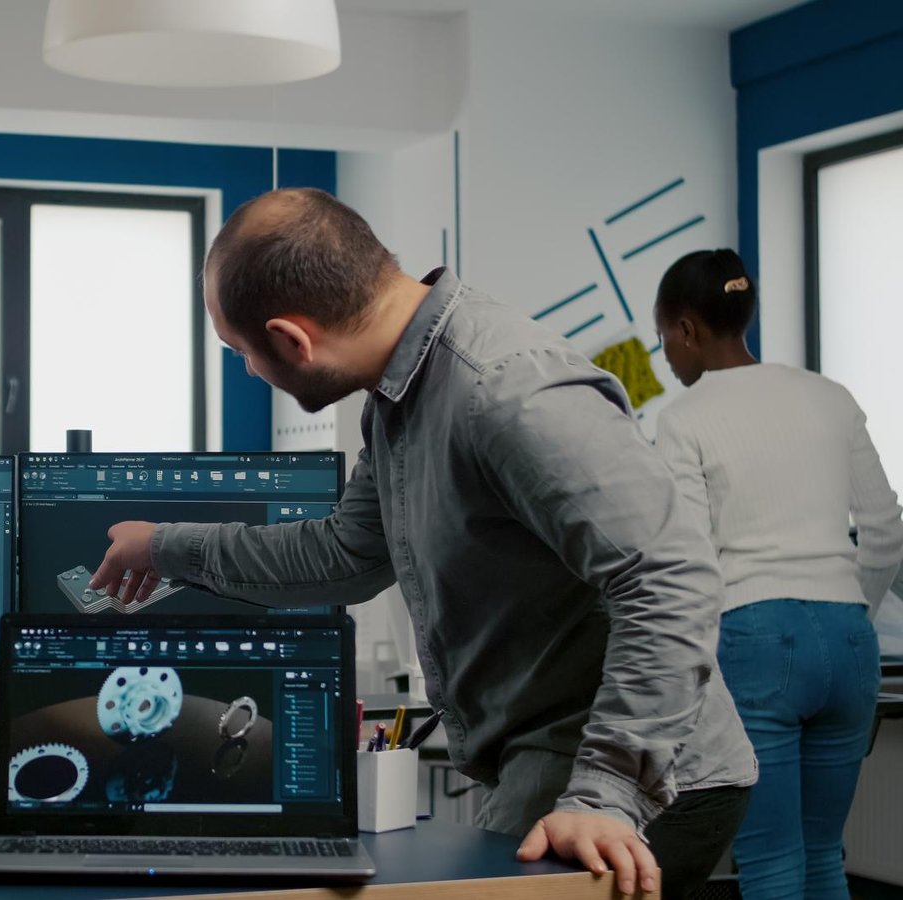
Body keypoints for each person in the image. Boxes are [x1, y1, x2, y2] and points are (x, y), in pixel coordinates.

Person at [91, 189, 757, 900]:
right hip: (556, 756)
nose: (249, 371)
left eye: (241, 353)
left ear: (292, 339)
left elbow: (670, 577)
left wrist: (605, 793)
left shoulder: (505, 390)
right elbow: (345, 554)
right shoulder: (399, 397)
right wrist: (168, 547)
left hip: (639, 776)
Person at [652, 249, 902, 900]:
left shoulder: (683, 419)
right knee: (824, 857)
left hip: (756, 638)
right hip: (851, 639)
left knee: (770, 865)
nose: (668, 361)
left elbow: (685, 558)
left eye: (663, 342)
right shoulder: (829, 396)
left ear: (685, 329)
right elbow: (885, 528)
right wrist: (853, 613)